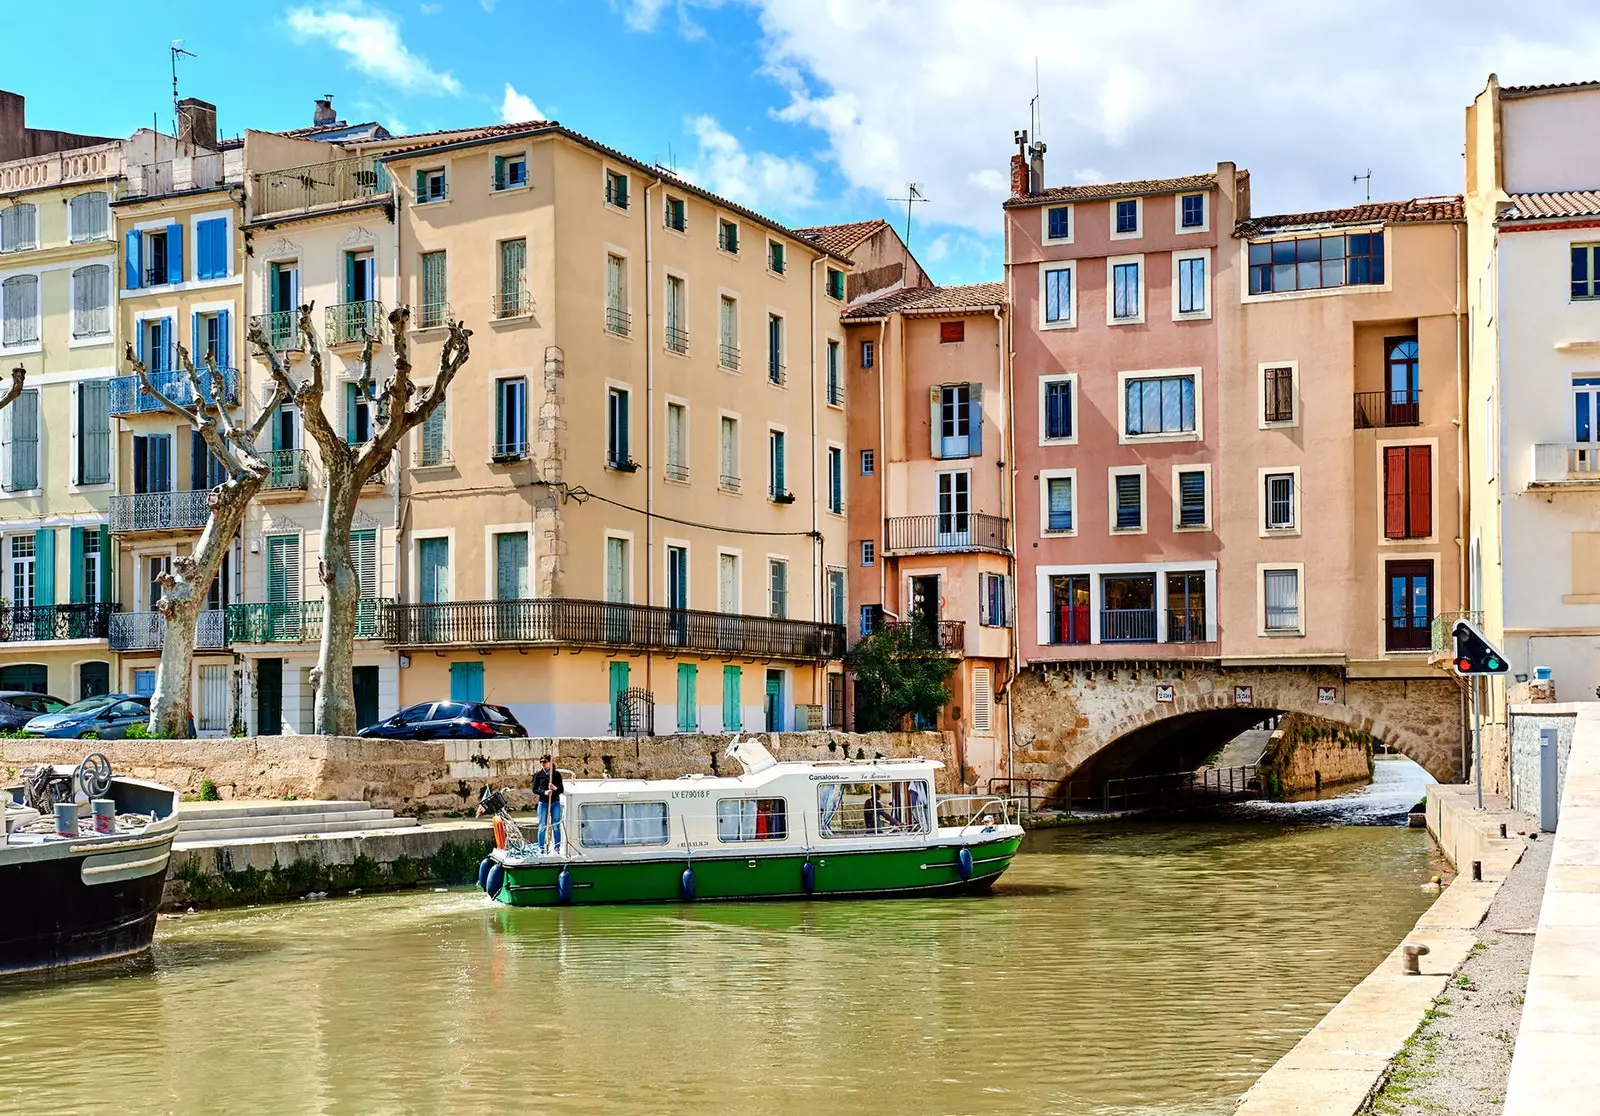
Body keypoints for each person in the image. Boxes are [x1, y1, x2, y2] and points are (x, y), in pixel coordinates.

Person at [532, 755, 565, 852]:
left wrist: (555, 788)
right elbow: (534, 789)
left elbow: (561, 789)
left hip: (555, 802)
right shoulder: (538, 775)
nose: (543, 763)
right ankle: (541, 847)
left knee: (556, 825)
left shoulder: (556, 775)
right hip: (543, 803)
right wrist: (544, 792)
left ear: (550, 762)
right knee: (542, 826)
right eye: (542, 762)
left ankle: (557, 847)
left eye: (545, 762)